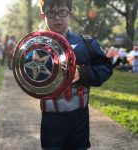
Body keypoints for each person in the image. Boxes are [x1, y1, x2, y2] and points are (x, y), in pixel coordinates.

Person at [38, 0, 113, 149]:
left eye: (63, 12)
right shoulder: (36, 45)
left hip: (78, 119)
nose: (57, 17)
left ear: (71, 15)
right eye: (51, 13)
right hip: (50, 120)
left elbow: (106, 67)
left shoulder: (86, 43)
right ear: (43, 16)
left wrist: (84, 74)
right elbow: (27, 77)